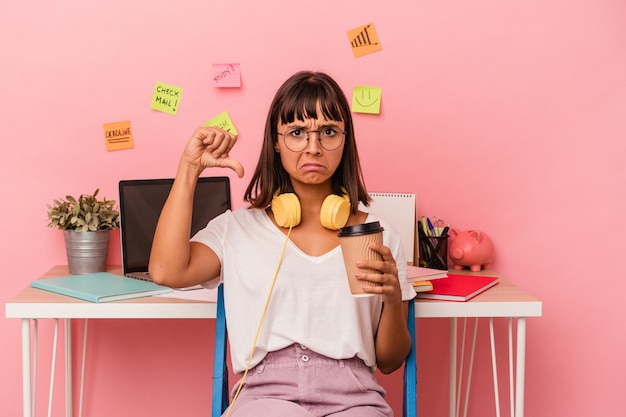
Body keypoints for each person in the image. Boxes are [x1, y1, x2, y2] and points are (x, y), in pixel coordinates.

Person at [149, 70, 416, 417]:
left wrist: (394, 301)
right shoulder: (237, 229)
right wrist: (189, 168)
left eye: (329, 132)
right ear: (276, 141)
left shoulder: (376, 236)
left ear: (345, 140)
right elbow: (166, 271)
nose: (313, 147)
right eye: (297, 132)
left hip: (355, 397)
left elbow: (391, 362)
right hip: (265, 397)